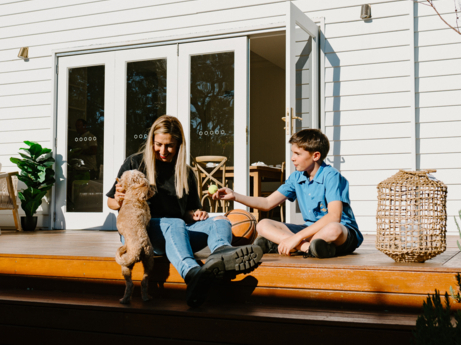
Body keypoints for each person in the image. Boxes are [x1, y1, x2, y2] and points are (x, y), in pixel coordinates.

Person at [106, 115, 263, 308]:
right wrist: (120, 199)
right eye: (158, 144)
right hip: (142, 233)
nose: (163, 151)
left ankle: (222, 254)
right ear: (151, 142)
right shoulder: (135, 163)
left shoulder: (186, 173)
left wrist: (196, 215)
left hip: (176, 232)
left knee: (220, 220)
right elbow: (110, 203)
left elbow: (188, 212)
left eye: (170, 146)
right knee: (175, 222)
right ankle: (193, 273)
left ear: (179, 145)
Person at [213, 129, 363, 258]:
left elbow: (334, 217)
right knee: (263, 224)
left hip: (342, 233)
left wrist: (296, 238)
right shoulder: (296, 178)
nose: (292, 158)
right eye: (293, 153)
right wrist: (235, 195)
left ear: (315, 156)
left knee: (333, 229)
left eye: (297, 154)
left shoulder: (331, 176)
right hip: (310, 232)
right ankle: (308, 248)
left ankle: (284, 243)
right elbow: (267, 203)